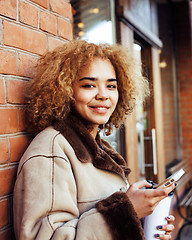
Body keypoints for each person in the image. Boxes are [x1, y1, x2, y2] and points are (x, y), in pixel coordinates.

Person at [13, 40, 175, 240]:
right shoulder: (52, 149)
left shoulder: (100, 147)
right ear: (64, 91)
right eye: (89, 85)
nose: (103, 95)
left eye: (111, 86)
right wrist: (126, 211)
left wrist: (143, 223)